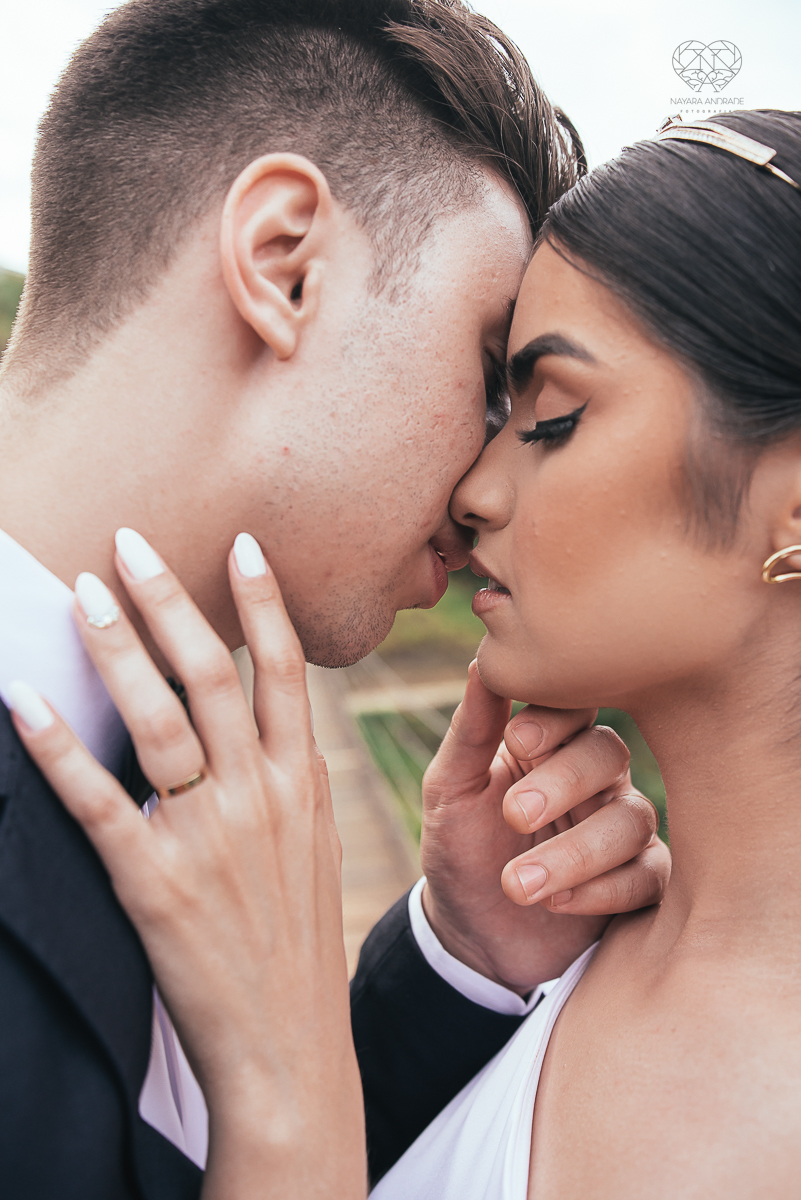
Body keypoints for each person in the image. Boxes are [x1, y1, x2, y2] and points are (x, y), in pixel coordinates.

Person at [17, 107, 801, 1197]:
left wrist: (291, 1107)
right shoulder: (551, 958)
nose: (475, 490)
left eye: (551, 412)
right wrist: (462, 959)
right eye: (493, 384)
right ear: (280, 266)